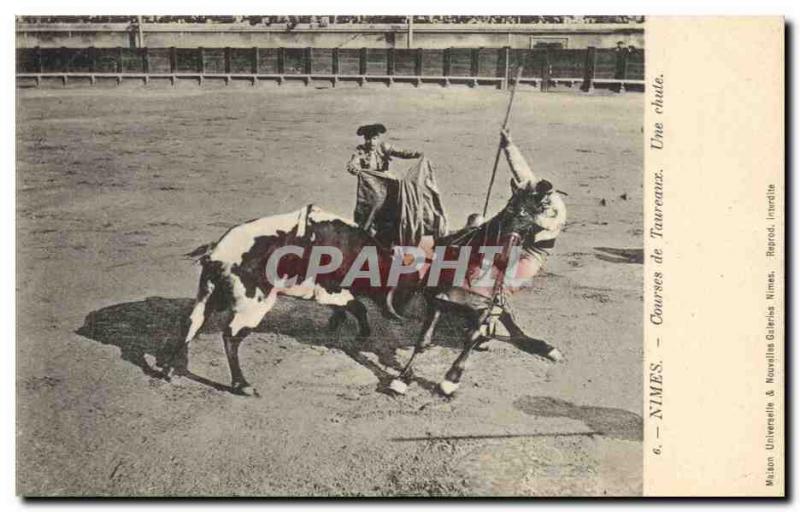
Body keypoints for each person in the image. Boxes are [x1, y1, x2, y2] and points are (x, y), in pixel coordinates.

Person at [346, 123, 422, 175]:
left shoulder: (383, 146)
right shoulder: (361, 150)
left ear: (378, 138)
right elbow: (353, 162)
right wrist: (354, 169)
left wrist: (415, 154)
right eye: (368, 139)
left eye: (374, 139)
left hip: (385, 179)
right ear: (365, 139)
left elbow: (400, 152)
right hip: (368, 182)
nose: (372, 142)